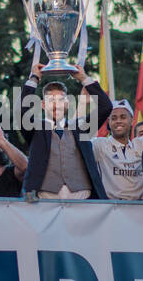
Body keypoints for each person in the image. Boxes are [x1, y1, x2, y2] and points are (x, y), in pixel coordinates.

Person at [18, 64, 111, 200]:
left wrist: (83, 78)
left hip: (82, 198)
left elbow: (106, 106)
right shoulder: (36, 130)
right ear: (43, 105)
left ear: (67, 104)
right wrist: (34, 78)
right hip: (45, 200)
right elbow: (21, 112)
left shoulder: (81, 128)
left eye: (61, 100)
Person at [91, 100, 143, 200]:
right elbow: (80, 139)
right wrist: (84, 104)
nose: (118, 121)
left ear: (132, 121)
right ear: (109, 123)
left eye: (123, 117)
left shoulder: (141, 144)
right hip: (112, 209)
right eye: (113, 118)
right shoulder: (100, 144)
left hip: (142, 209)